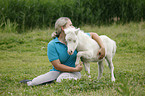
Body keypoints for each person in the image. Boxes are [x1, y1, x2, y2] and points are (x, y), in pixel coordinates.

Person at [20, 17, 105, 86]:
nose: (73, 27)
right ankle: (46, 80)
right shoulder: (52, 45)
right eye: (70, 25)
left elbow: (94, 34)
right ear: (63, 28)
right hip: (57, 71)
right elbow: (57, 66)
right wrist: (74, 68)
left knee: (61, 79)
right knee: (34, 82)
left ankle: (56, 80)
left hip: (74, 73)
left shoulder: (75, 37)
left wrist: (102, 47)